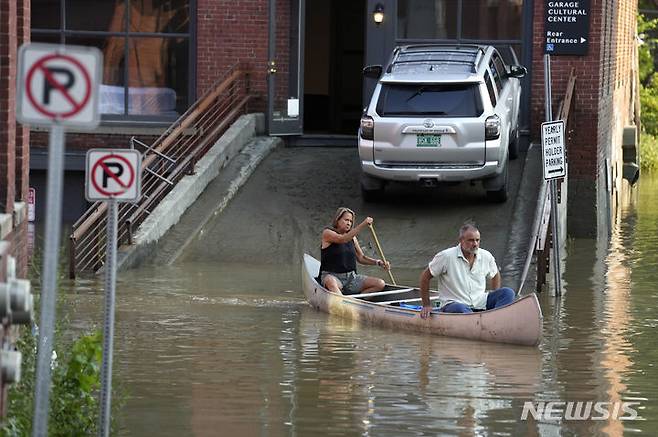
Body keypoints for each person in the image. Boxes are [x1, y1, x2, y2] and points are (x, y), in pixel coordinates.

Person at [419, 223, 515, 318]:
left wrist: (495, 295)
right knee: (460, 308)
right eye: (471, 240)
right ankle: (484, 321)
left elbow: (495, 274)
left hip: (480, 302)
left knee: (508, 292)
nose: (475, 244)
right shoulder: (446, 256)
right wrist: (426, 305)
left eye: (477, 240)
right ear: (461, 240)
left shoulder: (486, 256)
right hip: (454, 304)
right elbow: (425, 277)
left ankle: (496, 318)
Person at [319, 207, 391, 295]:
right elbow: (343, 239)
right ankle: (341, 303)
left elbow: (361, 258)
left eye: (351, 221)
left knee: (380, 284)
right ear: (337, 220)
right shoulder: (327, 233)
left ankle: (360, 302)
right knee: (331, 282)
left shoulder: (352, 238)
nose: (349, 223)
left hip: (351, 278)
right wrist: (363, 224)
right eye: (346, 220)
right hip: (332, 276)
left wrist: (379, 262)